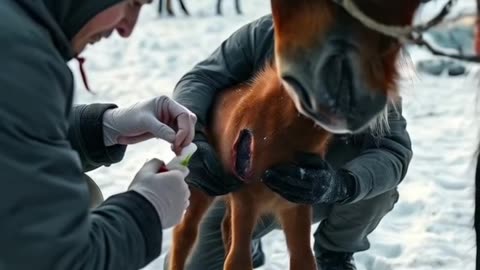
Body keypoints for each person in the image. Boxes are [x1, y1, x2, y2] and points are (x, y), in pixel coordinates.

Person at [164, 14, 413, 270]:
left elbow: (392, 150)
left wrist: (341, 185)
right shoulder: (267, 33)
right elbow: (201, 78)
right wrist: (198, 137)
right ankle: (246, 241)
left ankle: (335, 254)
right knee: (192, 262)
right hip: (249, 177)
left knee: (377, 186)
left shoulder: (376, 57)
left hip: (320, 179)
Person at [0, 0, 198, 269]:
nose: (127, 27)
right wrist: (146, 211)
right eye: (132, 3)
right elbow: (62, 260)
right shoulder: (21, 58)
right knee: (82, 198)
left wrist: (98, 128)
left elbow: (12, 141)